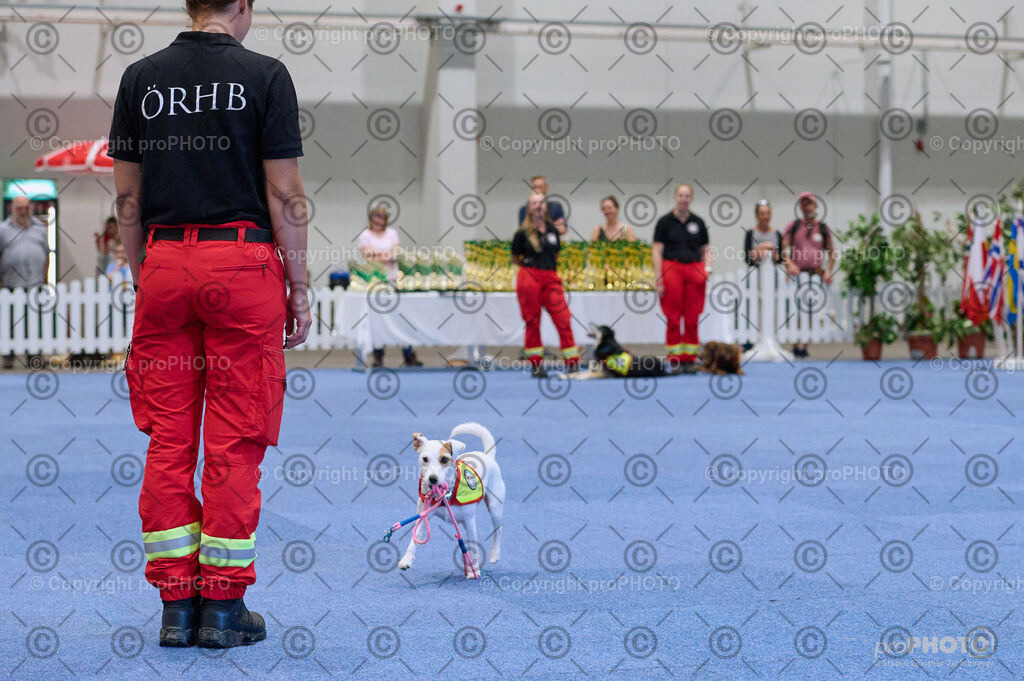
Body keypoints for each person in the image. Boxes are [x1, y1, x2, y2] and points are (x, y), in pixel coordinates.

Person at [109, 0, 310, 649]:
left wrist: (149, 273)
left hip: (167, 260)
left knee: (169, 439)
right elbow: (285, 195)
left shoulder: (141, 78)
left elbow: (128, 199)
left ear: (190, 6)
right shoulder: (267, 75)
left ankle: (175, 603)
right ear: (242, 7)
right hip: (242, 262)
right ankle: (222, 607)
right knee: (236, 439)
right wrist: (300, 286)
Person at [511, 192, 580, 378]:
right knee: (532, 321)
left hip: (550, 277)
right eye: (534, 203)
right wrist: (531, 269)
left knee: (563, 318)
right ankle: (536, 365)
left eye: (541, 203)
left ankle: (572, 362)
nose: (538, 206)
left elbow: (556, 254)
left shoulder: (552, 231)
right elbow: (515, 258)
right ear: (529, 208)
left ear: (546, 206)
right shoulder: (521, 234)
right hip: (529, 277)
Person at [653, 184, 711, 372]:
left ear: (691, 198)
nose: (684, 199)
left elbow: (706, 249)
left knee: (693, 316)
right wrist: (658, 277)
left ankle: (690, 357)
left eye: (687, 196)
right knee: (673, 315)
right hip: (672, 269)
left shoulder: (698, 222)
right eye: (681, 195)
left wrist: (707, 269)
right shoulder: (664, 222)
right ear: (676, 197)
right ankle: (675, 357)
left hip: (694, 269)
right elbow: (657, 251)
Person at [357, 203, 422, 368]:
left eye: (382, 216)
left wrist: (378, 255)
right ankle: (378, 356)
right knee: (378, 320)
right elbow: (368, 257)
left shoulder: (392, 234)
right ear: (371, 217)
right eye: (376, 216)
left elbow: (395, 256)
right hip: (375, 284)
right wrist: (384, 256)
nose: (379, 219)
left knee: (401, 318)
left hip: (393, 282)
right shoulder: (365, 235)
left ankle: (409, 354)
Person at [782, 192, 835, 358]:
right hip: (797, 275)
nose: (807, 207)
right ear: (800, 207)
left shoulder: (823, 228)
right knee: (795, 309)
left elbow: (831, 252)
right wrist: (789, 264)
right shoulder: (794, 226)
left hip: (815, 275)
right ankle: (795, 342)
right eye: (803, 204)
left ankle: (804, 344)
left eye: (810, 203)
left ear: (815, 206)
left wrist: (828, 270)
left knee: (811, 310)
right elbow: (782, 247)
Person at [1, 195, 50, 369]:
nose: (23, 211)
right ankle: (8, 356)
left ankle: (34, 355)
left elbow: (46, 255)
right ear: (11, 209)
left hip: (35, 282)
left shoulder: (40, 228)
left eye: (26, 208)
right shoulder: (3, 229)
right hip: (11, 283)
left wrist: (45, 278)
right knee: (10, 320)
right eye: (19, 208)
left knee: (35, 321)